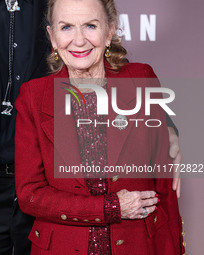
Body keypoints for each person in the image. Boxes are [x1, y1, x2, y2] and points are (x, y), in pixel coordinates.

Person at [0, 0, 181, 254]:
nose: (77, 34)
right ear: (52, 35)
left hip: (51, 200)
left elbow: (94, 55)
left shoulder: (54, 2)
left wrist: (168, 129)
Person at [14, 0, 185, 254]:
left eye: (91, 26)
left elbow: (165, 191)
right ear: (52, 37)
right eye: (66, 27)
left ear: (109, 32)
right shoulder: (32, 97)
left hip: (138, 245)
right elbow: (30, 194)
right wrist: (110, 207)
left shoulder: (142, 79)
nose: (79, 40)